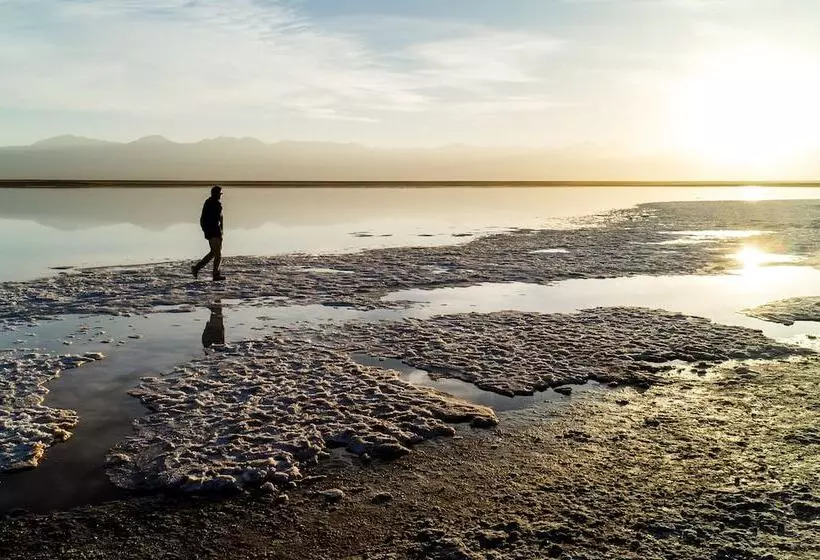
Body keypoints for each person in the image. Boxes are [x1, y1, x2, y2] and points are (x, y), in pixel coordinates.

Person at [192, 185, 226, 281]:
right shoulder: (212, 203)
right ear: (215, 194)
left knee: (213, 253)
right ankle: (215, 274)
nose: (220, 195)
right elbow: (206, 219)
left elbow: (219, 218)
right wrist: (207, 231)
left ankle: (196, 268)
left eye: (220, 194)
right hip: (213, 231)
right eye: (219, 194)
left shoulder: (213, 203)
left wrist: (221, 230)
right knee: (217, 254)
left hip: (214, 231)